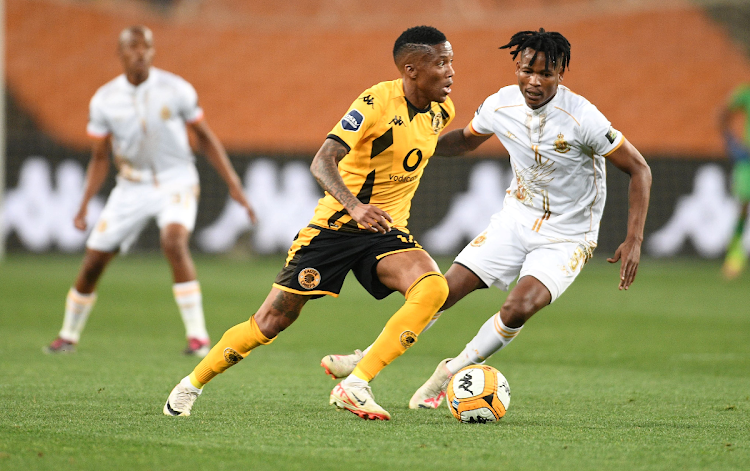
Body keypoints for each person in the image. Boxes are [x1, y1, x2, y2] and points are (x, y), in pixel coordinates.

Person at [320, 28, 652, 410]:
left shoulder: (583, 118)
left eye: (546, 73)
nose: (534, 81)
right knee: (439, 293)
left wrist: (634, 239)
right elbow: (463, 140)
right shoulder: (501, 104)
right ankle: (366, 358)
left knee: (519, 307)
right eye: (527, 70)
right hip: (515, 220)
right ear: (517, 66)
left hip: (568, 235)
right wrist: (406, 146)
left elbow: (639, 169)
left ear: (561, 74)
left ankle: (450, 373)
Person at [162, 25, 455, 421]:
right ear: (411, 69)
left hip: (385, 232)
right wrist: (354, 206)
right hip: (335, 229)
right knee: (272, 321)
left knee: (433, 288)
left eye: (451, 61)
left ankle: (355, 383)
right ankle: (189, 385)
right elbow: (321, 160)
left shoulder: (442, 111)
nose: (451, 71)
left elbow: (443, 144)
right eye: (441, 63)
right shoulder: (375, 102)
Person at [44, 26, 256, 357]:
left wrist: (233, 183)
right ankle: (67, 335)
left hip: (177, 180)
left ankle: (198, 336)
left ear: (153, 52)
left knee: (173, 241)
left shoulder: (176, 89)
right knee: (93, 263)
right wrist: (84, 204)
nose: (140, 52)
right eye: (133, 46)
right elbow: (100, 157)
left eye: (146, 46)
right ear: (121, 53)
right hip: (130, 187)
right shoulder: (104, 100)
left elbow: (204, 137)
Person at [719, 84, 750, 279]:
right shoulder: (746, 95)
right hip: (748, 162)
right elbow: (723, 113)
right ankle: (735, 255)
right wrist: (731, 142)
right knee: (743, 207)